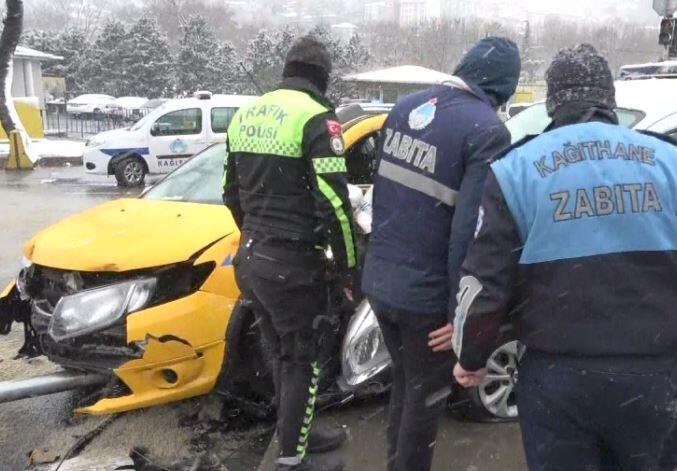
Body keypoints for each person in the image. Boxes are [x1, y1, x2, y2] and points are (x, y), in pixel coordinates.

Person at [453, 44, 677, 471]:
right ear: (609, 99)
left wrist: (470, 357)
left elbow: (483, 280)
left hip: (558, 380)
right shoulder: (669, 161)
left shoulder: (516, 169)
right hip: (655, 377)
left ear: (553, 103)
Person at [361, 37, 521, 471]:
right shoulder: (488, 130)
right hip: (426, 300)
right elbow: (469, 232)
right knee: (424, 398)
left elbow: (385, 199)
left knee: (408, 385)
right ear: (503, 89)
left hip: (381, 282)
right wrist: (459, 313)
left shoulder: (405, 107)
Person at [223, 36, 356, 471]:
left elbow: (231, 194)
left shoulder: (245, 114)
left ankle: (296, 429)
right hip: (293, 265)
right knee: (302, 357)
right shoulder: (318, 118)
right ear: (322, 77)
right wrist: (351, 265)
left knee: (281, 352)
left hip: (252, 260)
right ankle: (291, 459)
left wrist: (257, 236)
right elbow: (335, 204)